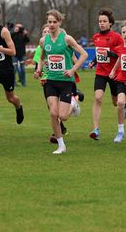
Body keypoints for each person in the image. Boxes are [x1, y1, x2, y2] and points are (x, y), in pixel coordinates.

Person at [34, 10, 88, 154]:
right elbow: (42, 58)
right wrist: (39, 69)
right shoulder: (43, 41)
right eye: (49, 22)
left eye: (54, 22)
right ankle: (61, 145)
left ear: (59, 23)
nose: (51, 25)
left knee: (63, 116)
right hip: (50, 80)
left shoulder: (67, 39)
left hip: (65, 81)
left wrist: (72, 70)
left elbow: (84, 54)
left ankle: (73, 102)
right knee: (53, 113)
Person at [0, 5, 24, 132]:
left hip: (6, 70)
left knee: (11, 98)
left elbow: (13, 51)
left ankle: (19, 107)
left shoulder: (4, 31)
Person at [88, 8, 124, 140]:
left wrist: (109, 54)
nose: (101, 23)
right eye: (99, 21)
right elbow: (100, 54)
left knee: (116, 102)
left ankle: (122, 107)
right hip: (101, 73)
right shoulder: (96, 37)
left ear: (110, 23)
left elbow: (121, 55)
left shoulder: (117, 38)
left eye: (104, 21)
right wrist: (94, 61)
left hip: (114, 74)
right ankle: (96, 129)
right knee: (97, 98)